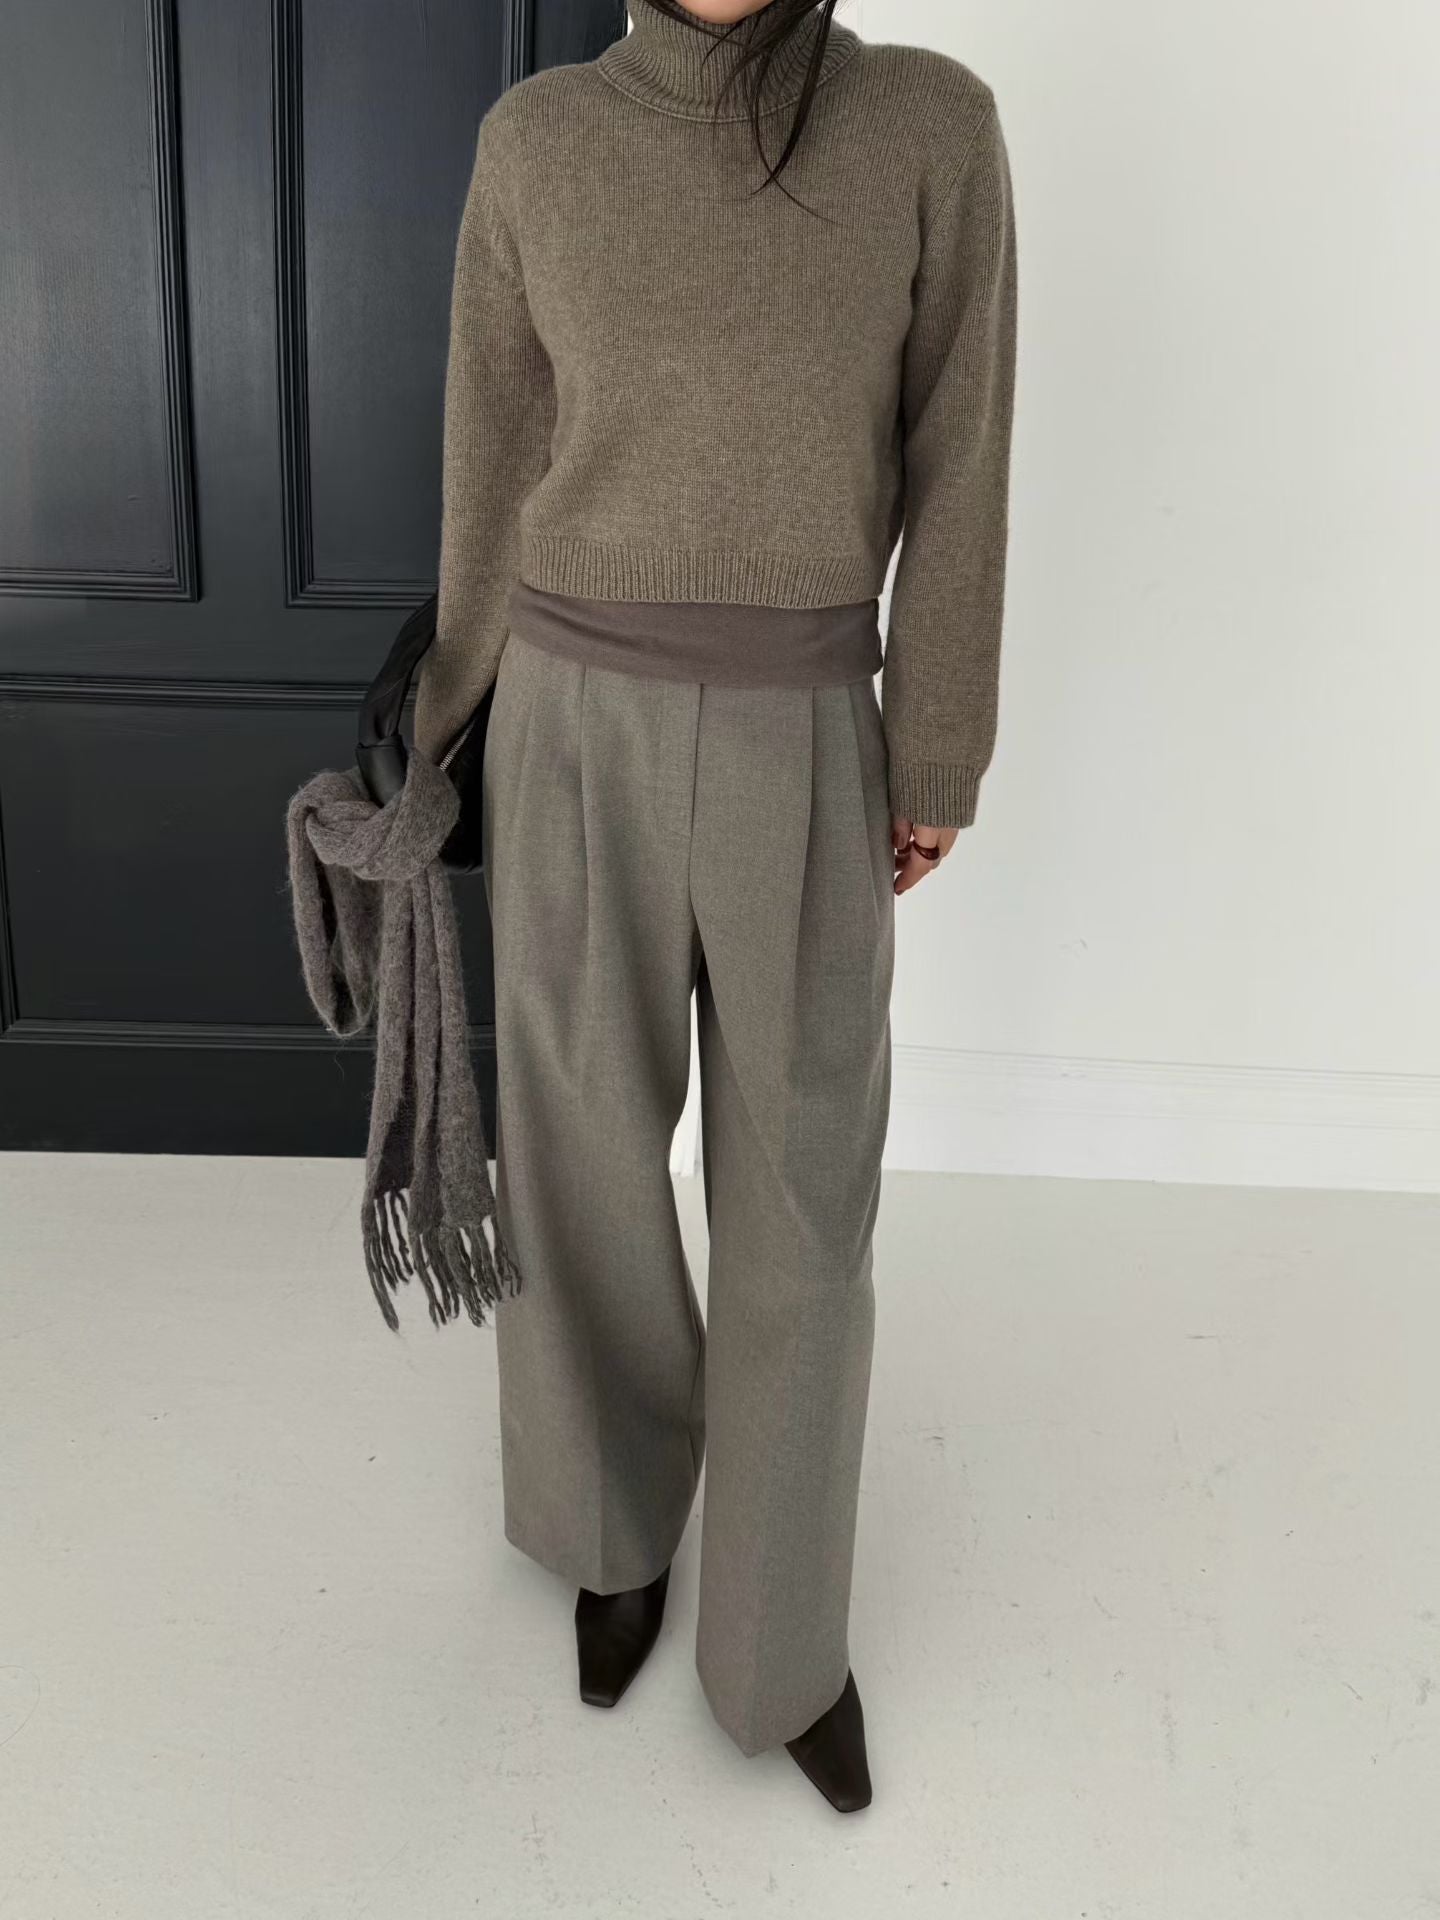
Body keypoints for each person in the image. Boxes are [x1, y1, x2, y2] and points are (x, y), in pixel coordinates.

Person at [412, 0, 1018, 1812]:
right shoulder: (538, 142)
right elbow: (492, 461)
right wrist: (444, 728)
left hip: (807, 722)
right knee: (580, 1156)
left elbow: (963, 450)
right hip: (569, 717)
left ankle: (781, 1641)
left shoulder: (929, 125)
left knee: (806, 1196)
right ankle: (611, 1533)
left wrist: (939, 739)